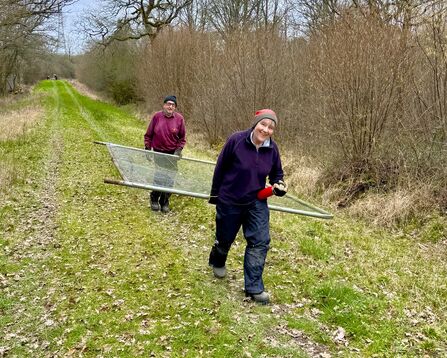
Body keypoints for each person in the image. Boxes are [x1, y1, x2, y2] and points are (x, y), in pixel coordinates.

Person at [208, 109, 288, 304]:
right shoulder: (236, 140)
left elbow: (277, 173)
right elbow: (220, 167)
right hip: (230, 199)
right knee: (225, 238)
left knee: (260, 242)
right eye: (263, 124)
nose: (266, 129)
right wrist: (215, 195)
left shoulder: (272, 149)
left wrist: (279, 184)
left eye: (271, 127)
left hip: (256, 201)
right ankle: (218, 259)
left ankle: (253, 287)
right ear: (255, 123)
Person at [144, 95, 186, 213]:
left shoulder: (179, 119)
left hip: (172, 154)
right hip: (158, 152)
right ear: (164, 105)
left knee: (170, 178)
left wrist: (178, 151)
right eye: (168, 104)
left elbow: (182, 138)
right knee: (159, 176)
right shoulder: (157, 117)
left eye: (173, 105)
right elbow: (148, 135)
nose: (170, 106)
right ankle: (154, 199)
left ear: (175, 107)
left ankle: (165, 201)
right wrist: (147, 149)